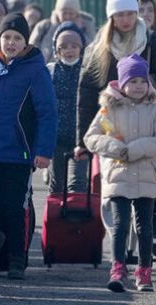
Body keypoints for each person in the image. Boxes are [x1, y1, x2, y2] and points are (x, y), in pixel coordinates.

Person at [0, 12, 57, 280]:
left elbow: (47, 113)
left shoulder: (36, 70)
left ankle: (16, 259)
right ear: (0, 39)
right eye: (6, 37)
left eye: (17, 38)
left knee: (14, 208)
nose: (11, 43)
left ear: (26, 41)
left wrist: (43, 151)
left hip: (20, 153)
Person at [84, 54, 156, 293]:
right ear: (122, 83)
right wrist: (116, 149)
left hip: (145, 175)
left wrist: (136, 149)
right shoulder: (108, 110)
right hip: (118, 175)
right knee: (120, 224)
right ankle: (118, 268)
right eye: (132, 81)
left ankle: (144, 271)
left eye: (142, 81)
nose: (138, 86)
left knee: (145, 227)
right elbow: (91, 137)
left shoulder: (155, 111)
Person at [75, 0, 156, 164]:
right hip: (112, 127)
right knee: (113, 183)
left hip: (144, 125)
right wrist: (82, 142)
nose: (126, 20)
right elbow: (87, 93)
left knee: (144, 179)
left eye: (131, 14)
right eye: (120, 15)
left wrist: (150, 93)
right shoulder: (100, 49)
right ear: (112, 17)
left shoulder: (150, 41)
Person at [46, 21, 88, 194]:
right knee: (57, 184)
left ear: (81, 48)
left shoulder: (87, 71)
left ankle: (76, 219)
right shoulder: (50, 70)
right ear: (57, 50)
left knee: (77, 184)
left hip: (81, 139)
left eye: (74, 46)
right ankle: (55, 219)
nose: (69, 50)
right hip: (57, 138)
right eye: (64, 46)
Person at [30, 0, 96, 62]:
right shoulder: (44, 27)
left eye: (71, 13)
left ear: (77, 14)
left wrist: (79, 31)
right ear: (57, 13)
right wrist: (53, 28)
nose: (67, 17)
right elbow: (38, 55)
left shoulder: (86, 26)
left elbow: (92, 53)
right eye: (64, 13)